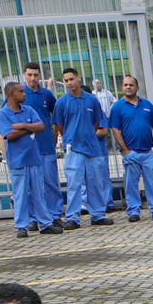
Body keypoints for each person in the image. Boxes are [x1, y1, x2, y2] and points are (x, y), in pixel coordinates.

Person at [0, 81, 59, 238]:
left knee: (39, 193)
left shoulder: (28, 110)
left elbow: (41, 126)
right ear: (11, 94)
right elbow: (9, 135)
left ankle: (45, 223)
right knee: (21, 195)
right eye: (20, 92)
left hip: (35, 159)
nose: (24, 94)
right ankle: (21, 226)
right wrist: (29, 127)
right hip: (18, 161)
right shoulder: (2, 114)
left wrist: (22, 125)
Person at [56, 69, 114, 227]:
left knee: (95, 183)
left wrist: (88, 135)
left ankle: (97, 215)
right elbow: (60, 126)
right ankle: (73, 218)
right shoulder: (62, 102)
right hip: (74, 149)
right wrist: (71, 137)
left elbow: (97, 123)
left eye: (72, 79)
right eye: (66, 80)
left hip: (93, 149)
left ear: (79, 78)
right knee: (74, 184)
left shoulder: (92, 100)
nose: (69, 83)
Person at [107, 75, 153, 221]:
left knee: (152, 183)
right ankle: (134, 211)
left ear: (137, 88)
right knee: (132, 184)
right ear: (122, 88)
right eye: (125, 84)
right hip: (131, 153)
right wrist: (125, 150)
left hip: (149, 152)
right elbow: (114, 129)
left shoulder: (147, 105)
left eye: (131, 85)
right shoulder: (117, 107)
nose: (128, 87)